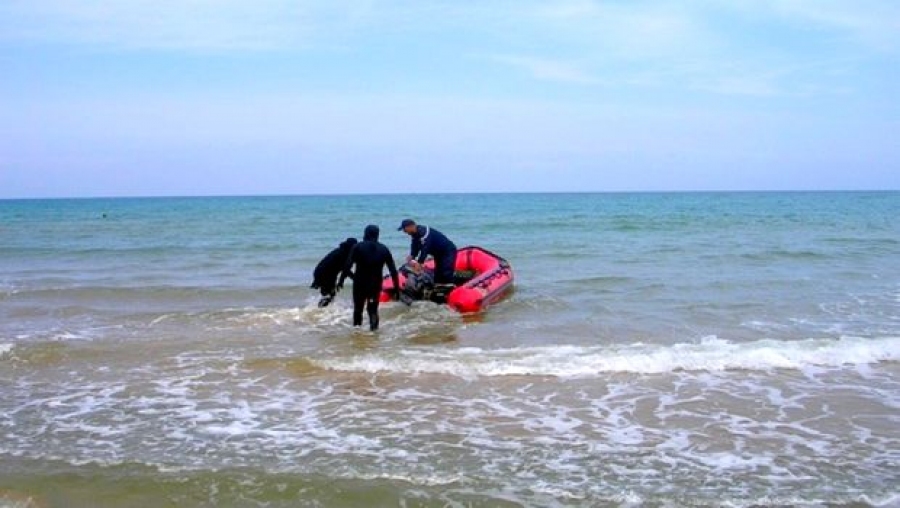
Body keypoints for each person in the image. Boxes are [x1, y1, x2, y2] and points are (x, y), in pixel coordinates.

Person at [338, 225, 400, 331]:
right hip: (375, 285)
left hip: (360, 284)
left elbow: (347, 266)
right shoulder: (384, 249)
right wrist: (396, 288)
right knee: (373, 310)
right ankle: (374, 334)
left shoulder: (357, 247)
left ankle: (357, 334)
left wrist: (341, 281)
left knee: (358, 309)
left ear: (365, 234)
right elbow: (393, 271)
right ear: (377, 235)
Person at [398, 219, 457, 285]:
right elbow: (415, 245)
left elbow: (425, 249)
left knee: (446, 272)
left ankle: (452, 288)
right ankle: (440, 289)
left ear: (411, 226)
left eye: (405, 229)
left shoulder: (424, 232)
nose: (404, 231)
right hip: (438, 254)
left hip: (447, 251)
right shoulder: (414, 234)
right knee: (438, 274)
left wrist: (420, 263)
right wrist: (412, 255)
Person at [310, 237, 358, 307]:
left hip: (321, 272)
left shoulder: (341, 251)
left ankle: (321, 310)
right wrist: (355, 279)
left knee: (329, 294)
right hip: (324, 274)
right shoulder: (343, 254)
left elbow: (345, 270)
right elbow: (346, 270)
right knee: (329, 294)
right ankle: (320, 310)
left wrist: (342, 281)